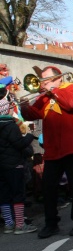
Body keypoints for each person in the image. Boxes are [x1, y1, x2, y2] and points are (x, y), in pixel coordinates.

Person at [20, 66, 73, 238]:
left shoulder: (70, 89)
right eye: (42, 80)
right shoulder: (44, 97)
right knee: (48, 187)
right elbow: (32, 114)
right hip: (53, 149)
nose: (43, 83)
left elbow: (70, 105)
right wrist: (23, 106)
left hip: (72, 147)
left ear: (58, 79)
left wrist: (53, 91)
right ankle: (51, 223)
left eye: (47, 79)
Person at [0, 93, 36, 234]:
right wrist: (29, 135)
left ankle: (9, 224)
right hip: (14, 164)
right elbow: (19, 144)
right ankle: (20, 224)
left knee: (3, 194)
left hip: (1, 166)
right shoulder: (10, 126)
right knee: (18, 194)